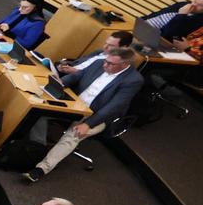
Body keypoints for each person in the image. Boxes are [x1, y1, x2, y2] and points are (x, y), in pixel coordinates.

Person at [24, 47, 142, 181]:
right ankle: (37, 149)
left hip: (97, 116)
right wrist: (61, 83)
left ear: (124, 64)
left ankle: (42, 169)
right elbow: (77, 76)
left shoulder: (133, 80)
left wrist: (88, 124)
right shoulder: (100, 63)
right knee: (39, 111)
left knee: (74, 135)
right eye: (106, 61)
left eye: (110, 64)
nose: (105, 65)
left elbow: (113, 107)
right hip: (76, 104)